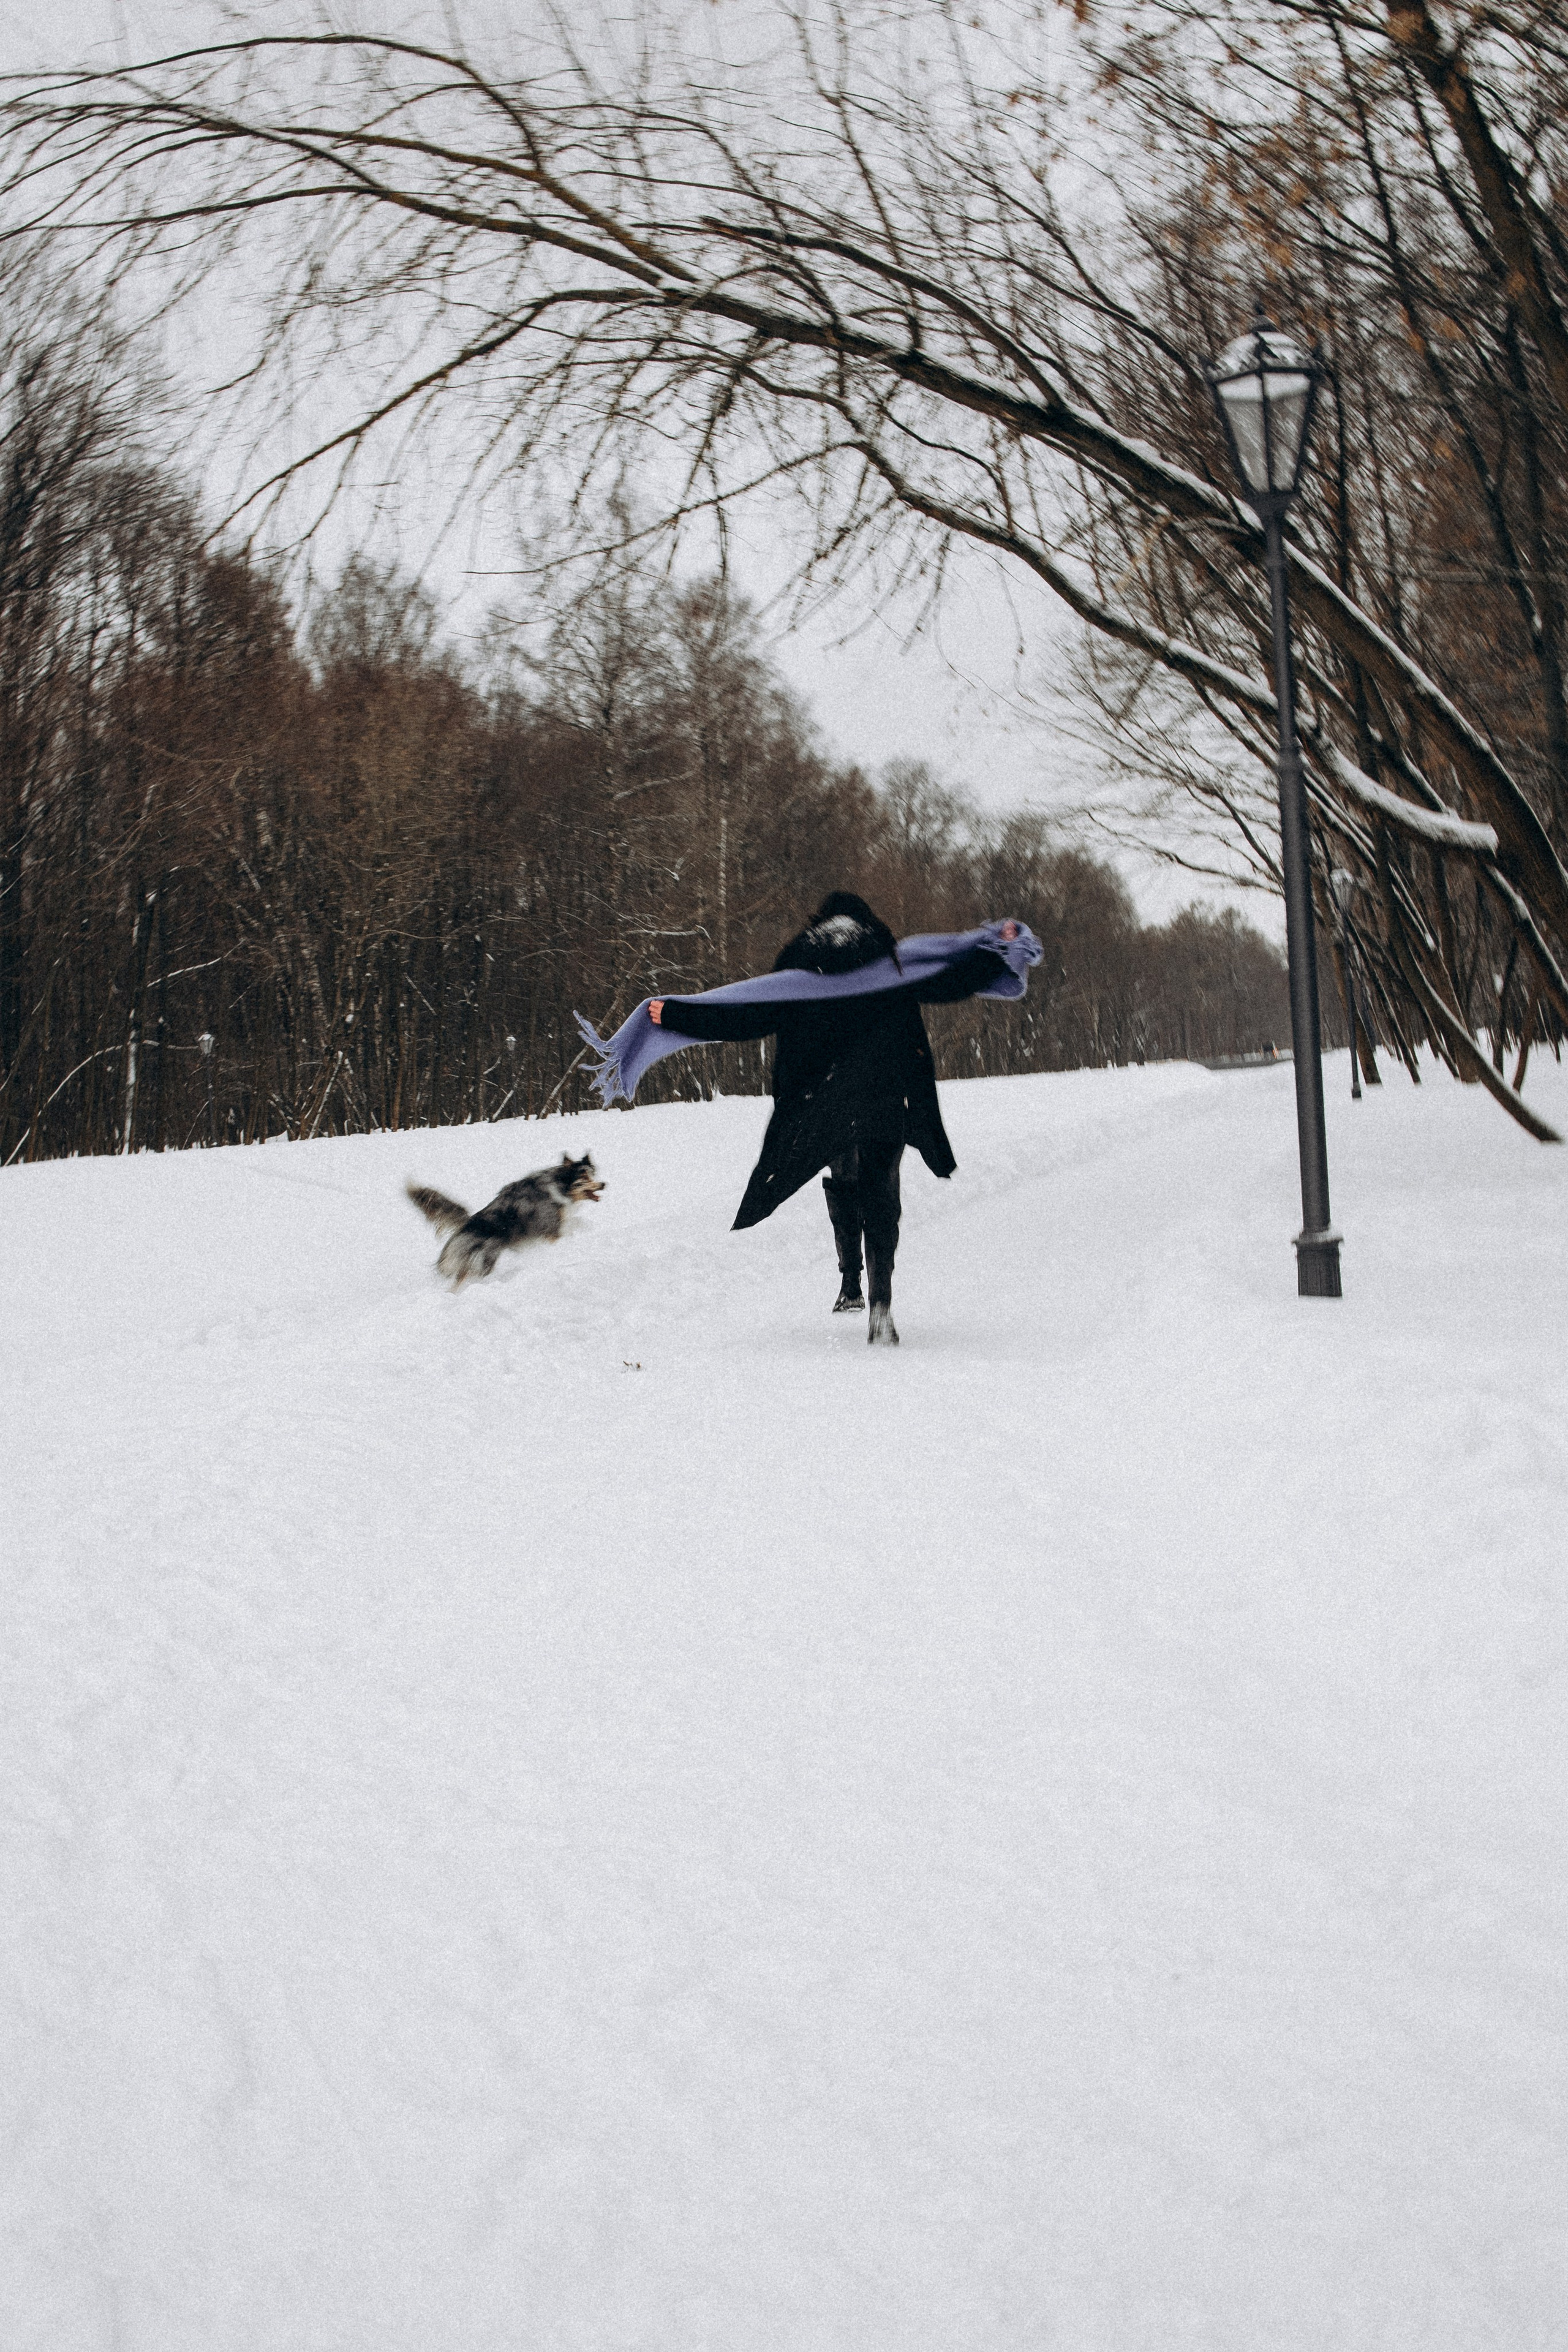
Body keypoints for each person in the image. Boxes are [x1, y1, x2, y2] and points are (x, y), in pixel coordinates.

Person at [647, 892, 1017, 1344]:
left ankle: (850, 1285)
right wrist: (1000, 949)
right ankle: (881, 1302)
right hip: (883, 1095)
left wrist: (675, 1015)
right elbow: (952, 978)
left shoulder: (800, 970)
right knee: (880, 1190)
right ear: (869, 923)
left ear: (818, 924)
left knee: (843, 1179)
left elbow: (745, 1014)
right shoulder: (892, 965)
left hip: (821, 1099)